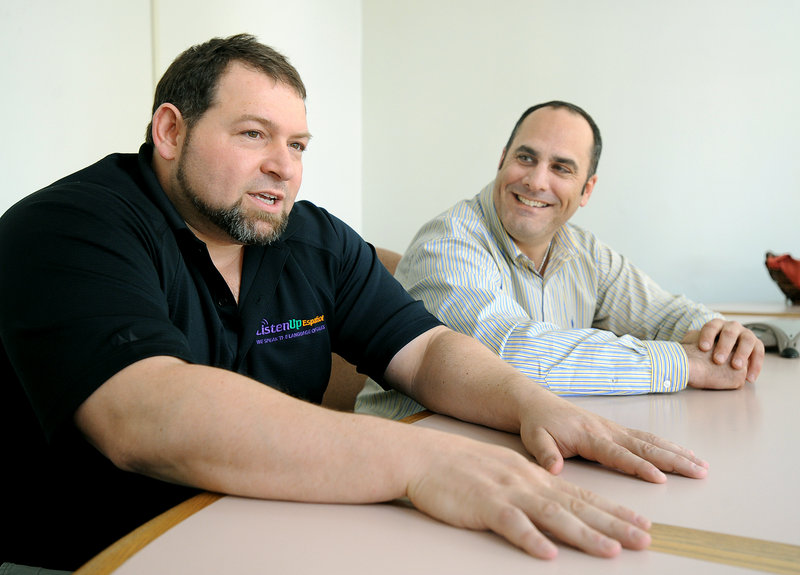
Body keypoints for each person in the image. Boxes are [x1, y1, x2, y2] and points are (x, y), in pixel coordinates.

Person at [1, 38, 720, 572]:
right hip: (101, 556)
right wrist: (418, 460)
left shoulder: (311, 238)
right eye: (254, 135)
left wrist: (530, 402)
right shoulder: (68, 226)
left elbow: (428, 350)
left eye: (298, 143)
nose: (284, 165)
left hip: (270, 530)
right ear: (170, 131)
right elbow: (147, 412)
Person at [356, 100, 764, 419]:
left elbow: (661, 314)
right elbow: (508, 359)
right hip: (414, 447)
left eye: (561, 168)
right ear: (502, 160)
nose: (536, 180)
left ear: (587, 190)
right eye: (526, 158)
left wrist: (717, 336)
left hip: (506, 445)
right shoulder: (447, 243)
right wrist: (680, 363)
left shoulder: (586, 253)